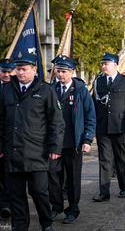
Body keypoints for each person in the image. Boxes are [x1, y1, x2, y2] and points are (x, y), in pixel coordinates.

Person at [0, 52, 65, 231]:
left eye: (23, 69)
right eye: (17, 69)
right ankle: (20, 226)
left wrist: (55, 147)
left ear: (34, 70)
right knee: (16, 196)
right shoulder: (6, 90)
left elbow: (57, 122)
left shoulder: (45, 90)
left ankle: (46, 223)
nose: (20, 73)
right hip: (13, 153)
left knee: (39, 193)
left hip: (37, 153)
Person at [48, 55, 96, 224]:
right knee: (53, 175)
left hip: (74, 142)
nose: (60, 75)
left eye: (64, 71)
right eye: (58, 71)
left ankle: (73, 208)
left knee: (73, 177)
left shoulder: (80, 90)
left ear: (72, 72)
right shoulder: (51, 89)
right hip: (54, 143)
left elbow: (90, 115)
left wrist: (87, 139)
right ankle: (56, 205)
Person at [93, 53, 125, 202]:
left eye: (107, 63)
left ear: (115, 65)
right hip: (102, 126)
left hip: (119, 125)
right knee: (104, 159)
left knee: (120, 158)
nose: (104, 66)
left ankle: (123, 187)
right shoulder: (98, 81)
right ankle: (104, 192)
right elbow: (94, 104)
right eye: (103, 63)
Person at [0, 58, 16, 218]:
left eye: (9, 71)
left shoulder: (16, 90)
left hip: (10, 141)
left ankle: (7, 205)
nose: (6, 74)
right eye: (3, 71)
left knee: (8, 177)